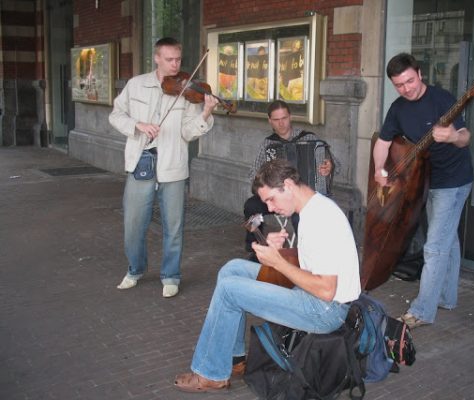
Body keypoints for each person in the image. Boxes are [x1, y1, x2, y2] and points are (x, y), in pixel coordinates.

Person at [173, 159, 361, 392]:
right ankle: (234, 358)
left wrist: (279, 263)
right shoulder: (314, 207)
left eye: (271, 199)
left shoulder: (320, 218)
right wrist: (282, 253)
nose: (270, 208)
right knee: (232, 269)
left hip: (325, 311)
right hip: (315, 296)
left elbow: (326, 289)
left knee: (229, 289)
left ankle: (211, 374)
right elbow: (317, 261)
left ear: (289, 185)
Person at [109, 37, 219, 298]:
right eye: (169, 59)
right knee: (133, 224)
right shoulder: (136, 85)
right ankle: (135, 269)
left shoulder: (188, 89)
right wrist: (137, 125)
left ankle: (171, 275)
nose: (175, 65)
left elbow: (188, 132)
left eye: (178, 59)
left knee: (174, 225)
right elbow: (116, 115)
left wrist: (205, 113)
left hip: (173, 165)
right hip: (141, 161)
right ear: (156, 58)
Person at [372, 53, 473, 328]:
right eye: (399, 85)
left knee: (435, 246)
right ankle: (447, 298)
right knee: (446, 239)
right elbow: (382, 142)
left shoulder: (441, 99)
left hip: (453, 181)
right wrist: (379, 169)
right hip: (425, 180)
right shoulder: (398, 108)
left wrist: (452, 136)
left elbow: (465, 137)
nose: (407, 89)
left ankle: (422, 311)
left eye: (410, 81)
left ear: (420, 73)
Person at [244, 100, 335, 256]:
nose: (281, 123)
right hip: (277, 196)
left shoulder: (310, 138)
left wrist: (329, 166)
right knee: (251, 206)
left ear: (290, 117)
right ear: (270, 121)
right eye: (276, 120)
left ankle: (306, 254)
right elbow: (253, 174)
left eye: (284, 118)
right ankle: (257, 247)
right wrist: (266, 180)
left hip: (302, 197)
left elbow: (334, 163)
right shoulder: (268, 144)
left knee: (300, 217)